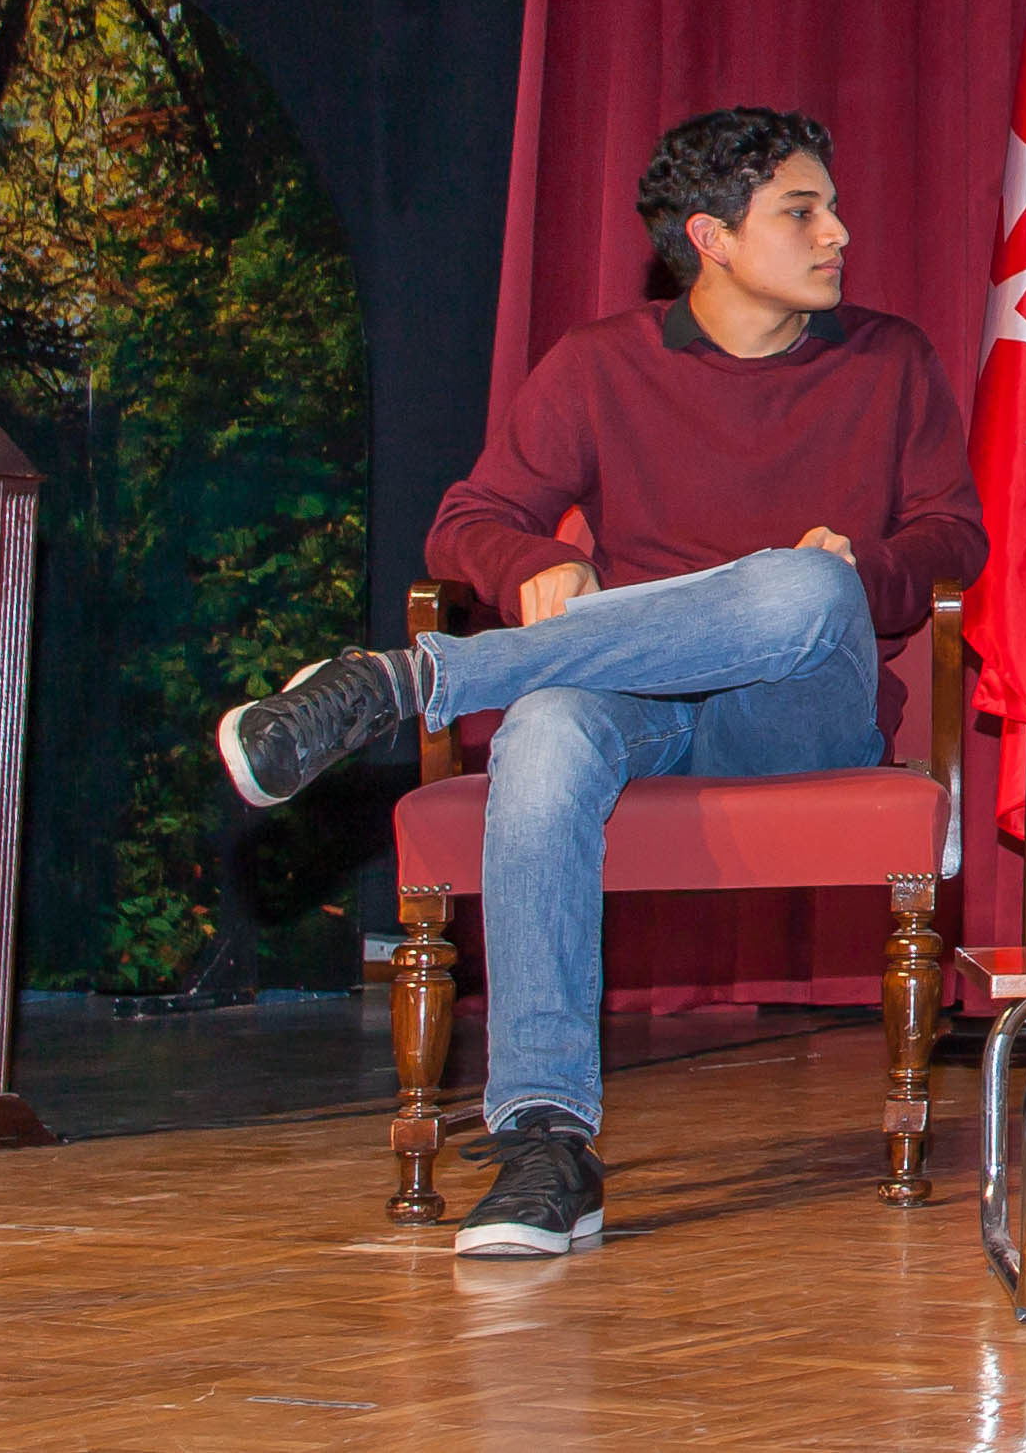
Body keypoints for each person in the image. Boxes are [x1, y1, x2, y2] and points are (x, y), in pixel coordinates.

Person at [217, 108, 985, 1256]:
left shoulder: (891, 360)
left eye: (829, 206)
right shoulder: (598, 363)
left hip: (800, 713)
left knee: (799, 587)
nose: (838, 232)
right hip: (637, 702)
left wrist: (861, 567)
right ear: (710, 238)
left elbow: (953, 536)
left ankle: (404, 682)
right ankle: (546, 1144)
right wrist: (534, 560)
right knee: (541, 730)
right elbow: (468, 521)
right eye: (801, 211)